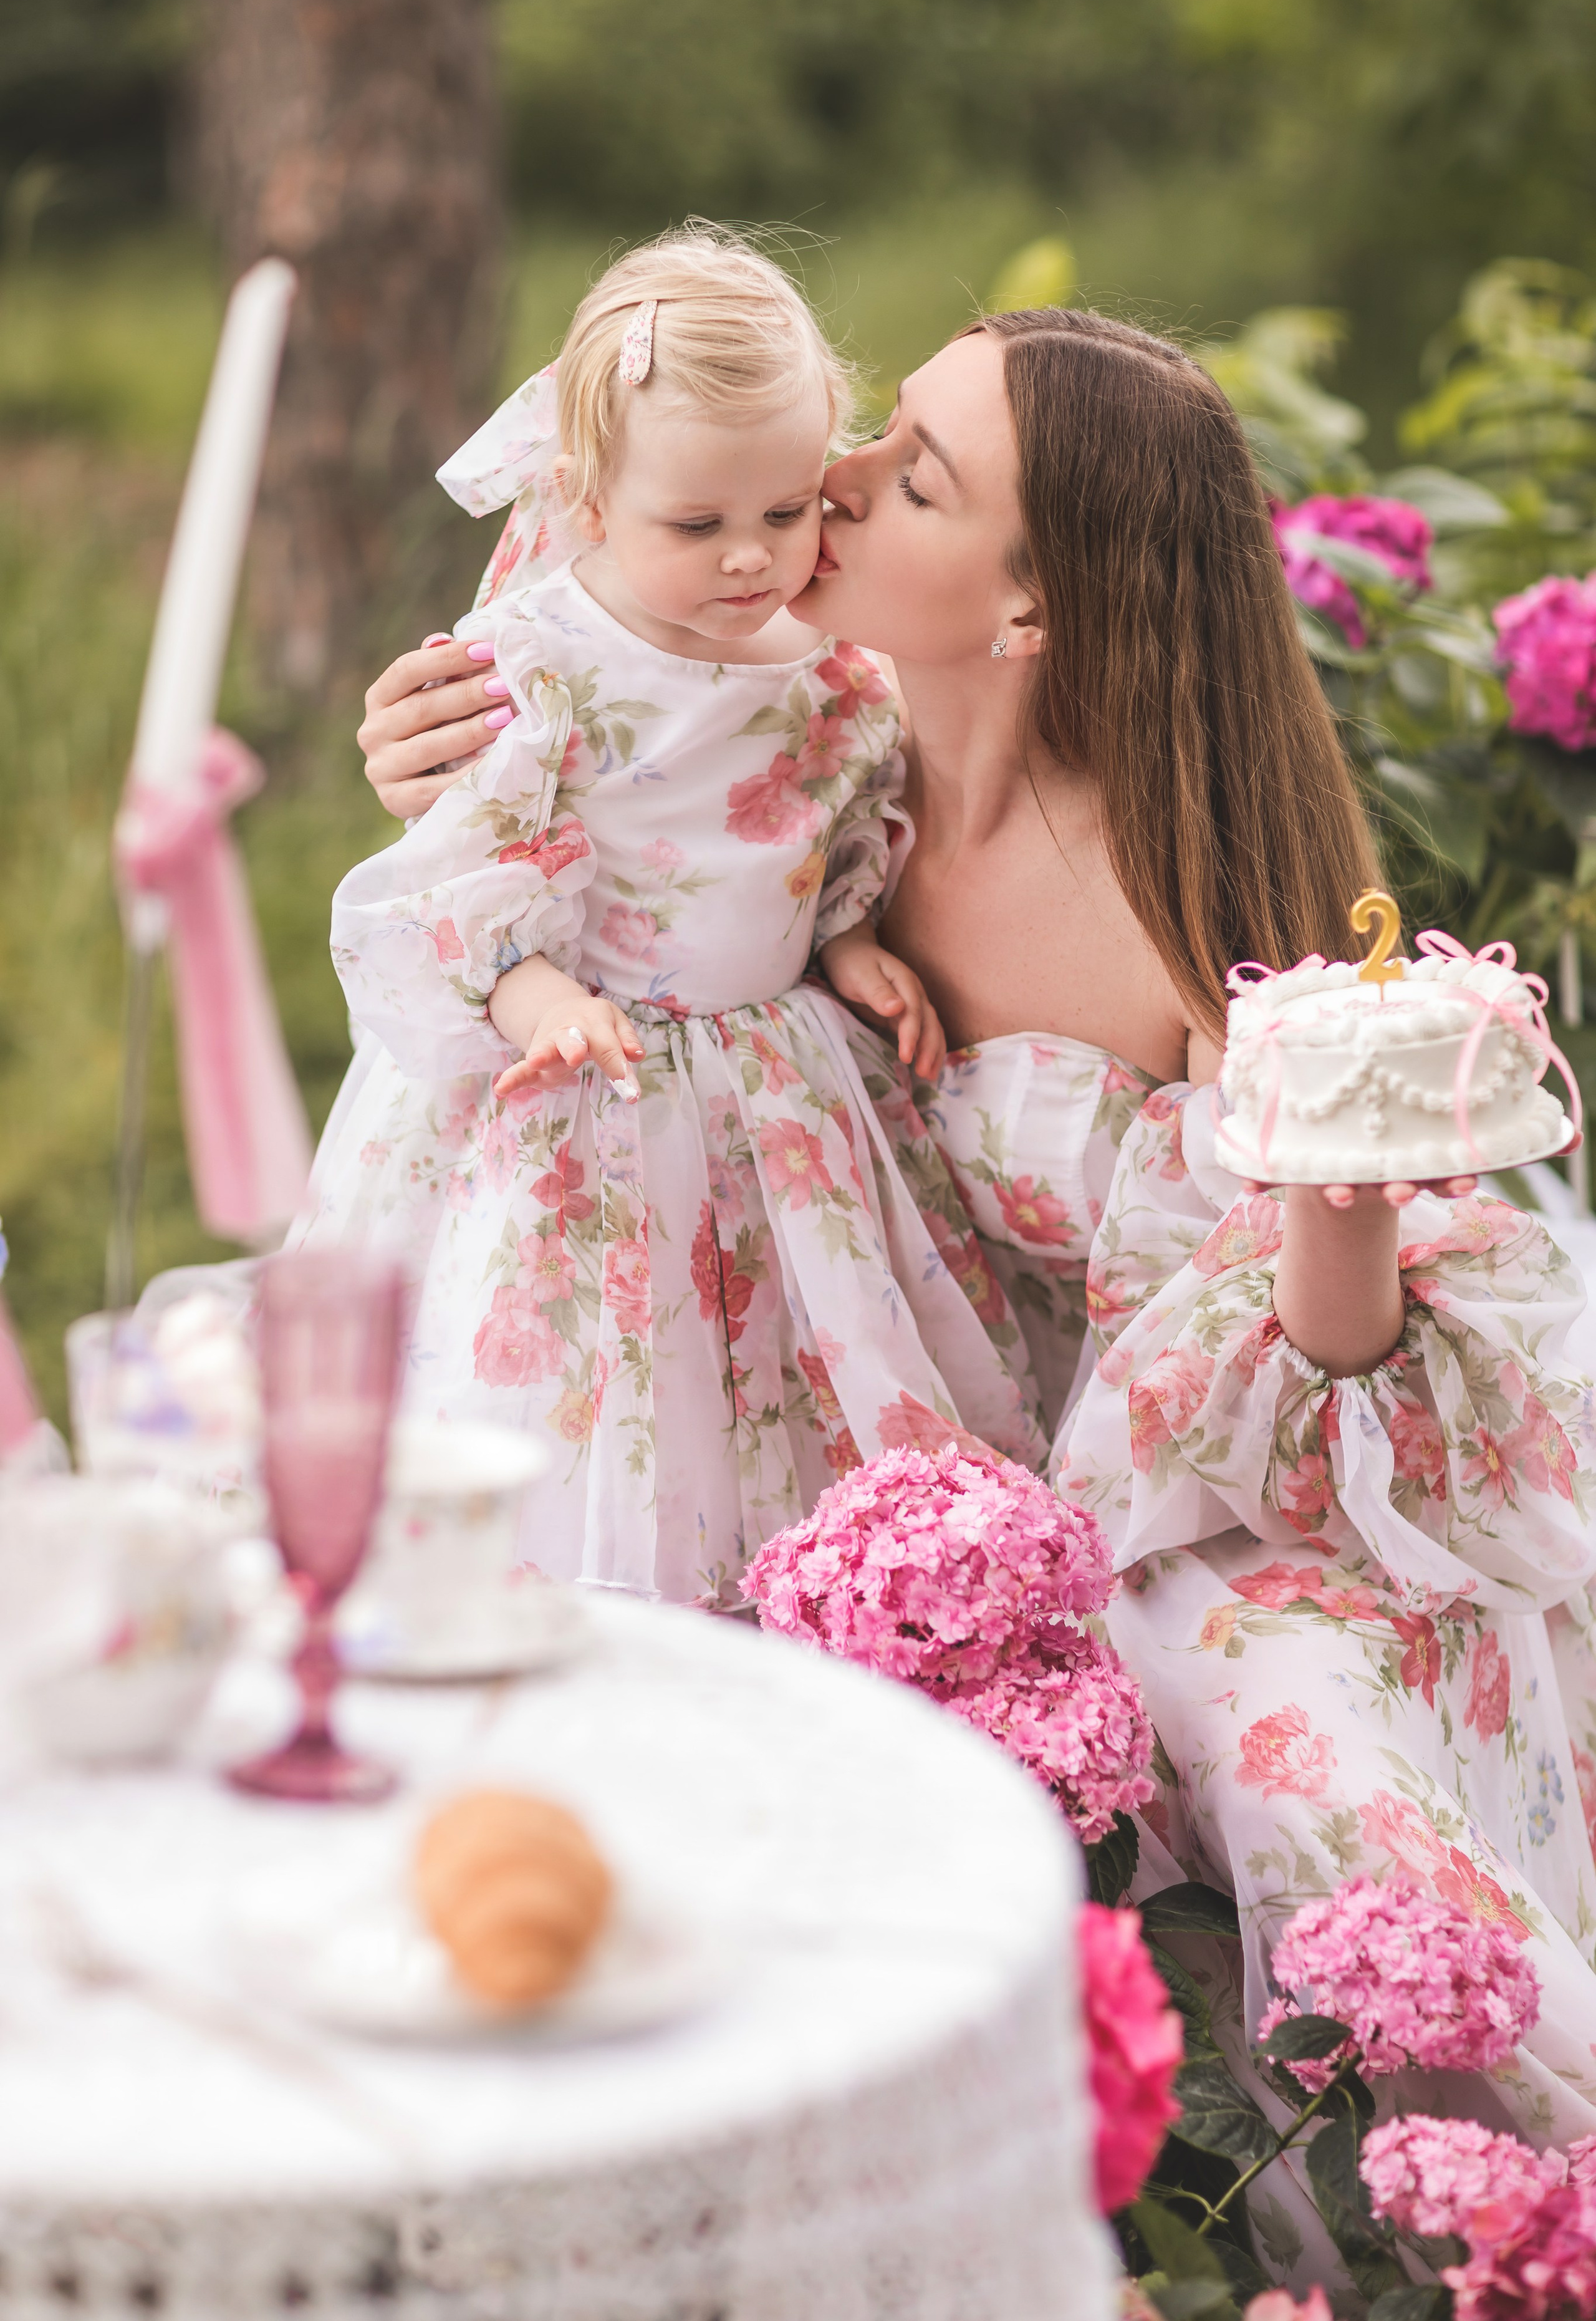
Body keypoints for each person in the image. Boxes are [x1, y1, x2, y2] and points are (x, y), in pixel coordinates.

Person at [361, 299, 1596, 2198]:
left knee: (1267, 1726)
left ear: (1030, 607)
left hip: (1186, 1469)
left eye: (914, 476)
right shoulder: (787, 707)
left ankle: (1453, 2212)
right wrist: (431, 758)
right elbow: (580, 680)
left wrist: (1334, 1196)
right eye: (879, 424)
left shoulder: (1172, 897)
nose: (835, 477)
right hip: (833, 1391)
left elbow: (1328, 1361)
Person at [299, 227, 1036, 1609]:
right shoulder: (545, 664)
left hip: (775, 1082)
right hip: (585, 1074)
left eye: (787, 509)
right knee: (599, 1371)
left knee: (769, 1364)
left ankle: (808, 1614)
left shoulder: (830, 658)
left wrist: (846, 938)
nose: (753, 559)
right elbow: (469, 878)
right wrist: (540, 999)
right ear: (586, 498)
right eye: (697, 527)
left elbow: (833, 809)